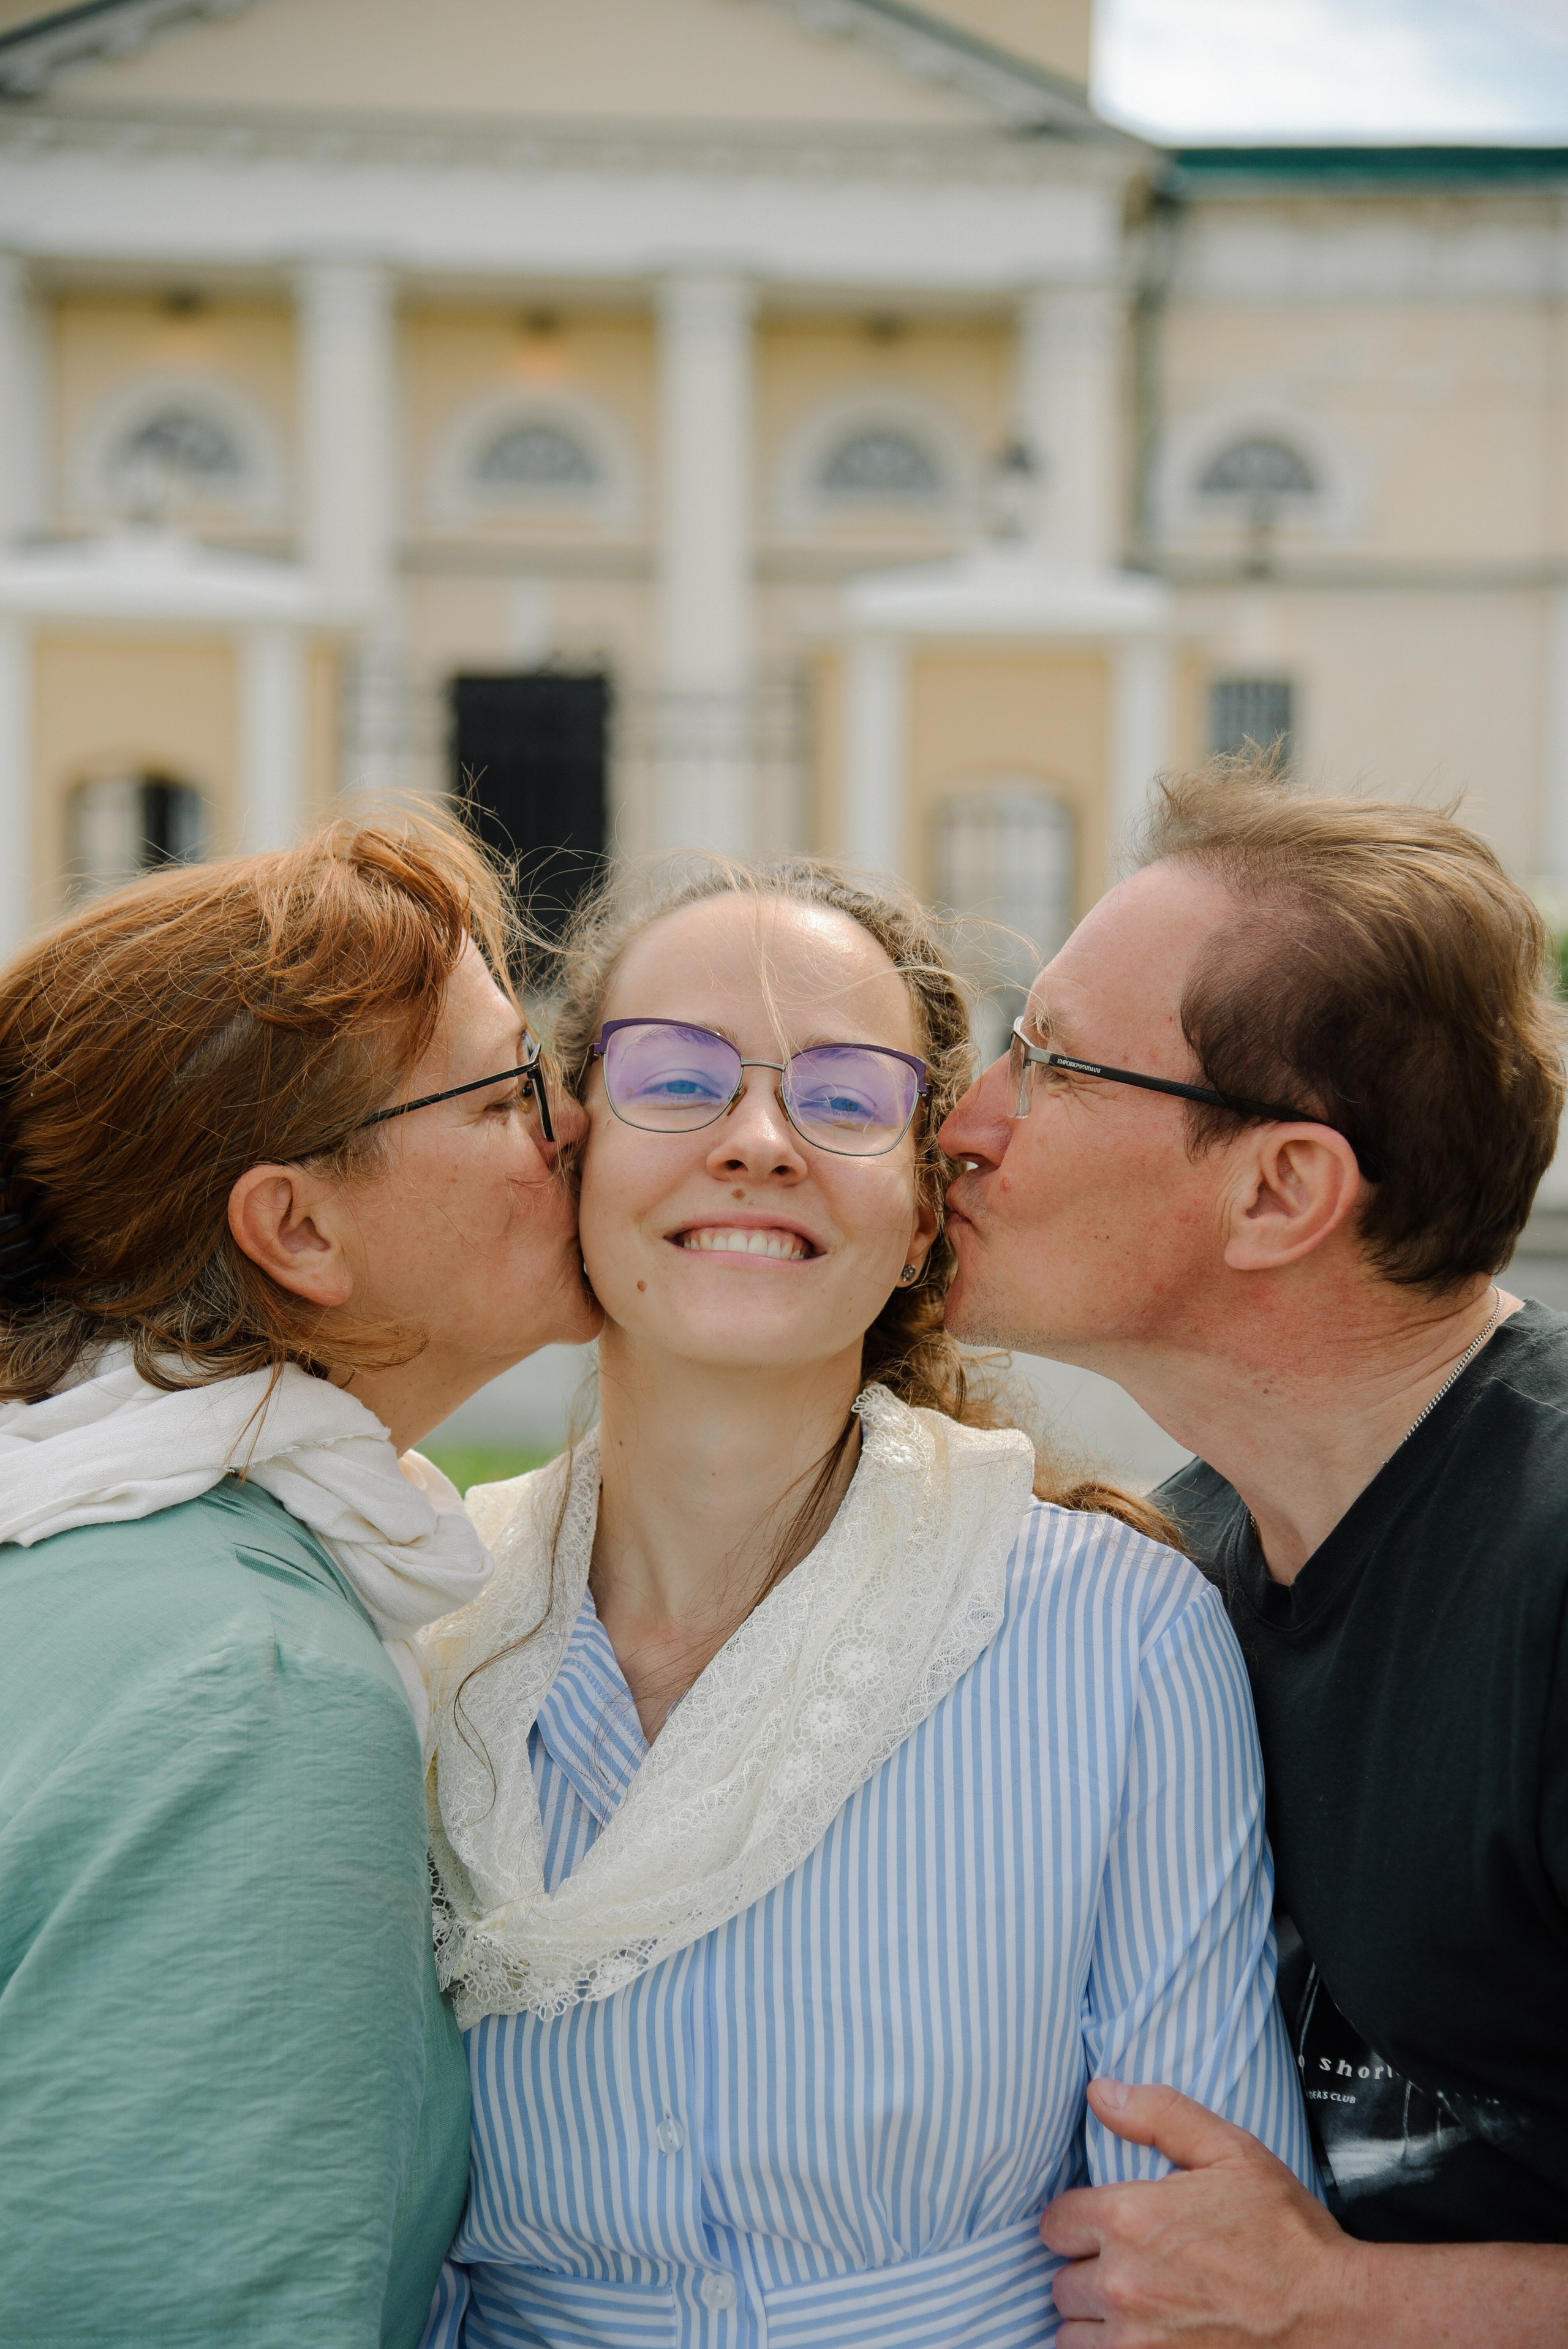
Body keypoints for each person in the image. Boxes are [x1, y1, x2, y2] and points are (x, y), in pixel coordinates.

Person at [417, 855, 1314, 2349]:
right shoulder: (422, 1629)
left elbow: (1191, 2279)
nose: (757, 1141)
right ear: (572, 1159)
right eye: (674, 1079)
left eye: (844, 1098)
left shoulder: (1114, 1634)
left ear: (919, 1215)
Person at [939, 757, 1568, 2346]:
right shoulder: (1184, 1561)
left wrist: (1338, 2297)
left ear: (1280, 1188)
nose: (965, 1122)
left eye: (1049, 1061)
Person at [0, 816, 598, 2347]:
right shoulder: (255, 1691)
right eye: (507, 1092)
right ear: (297, 1227)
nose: (576, 1127)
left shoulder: (76, 1547)